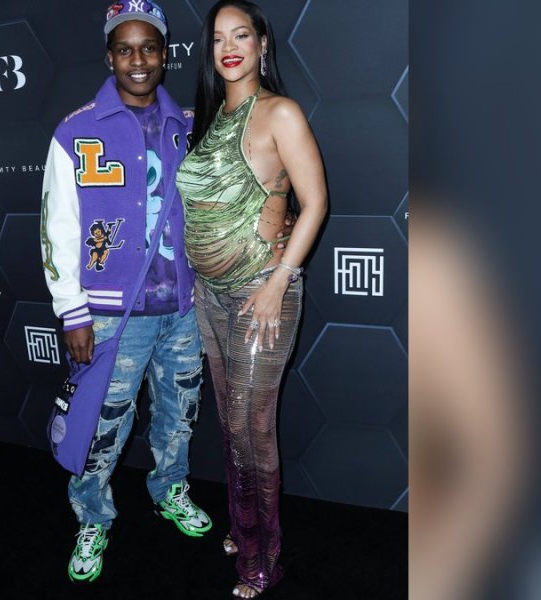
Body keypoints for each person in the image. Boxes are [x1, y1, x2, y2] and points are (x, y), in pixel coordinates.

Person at [39, 1, 214, 583]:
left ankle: (170, 490)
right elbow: (57, 229)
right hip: (114, 316)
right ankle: (92, 516)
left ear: (165, 54)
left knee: (178, 416)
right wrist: (72, 313)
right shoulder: (75, 129)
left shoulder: (190, 124)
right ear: (109, 54)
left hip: (183, 311)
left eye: (149, 48)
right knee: (102, 427)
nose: (138, 60)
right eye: (125, 49)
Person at [176, 1, 328, 597]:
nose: (229, 46)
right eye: (218, 38)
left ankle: (263, 557)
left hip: (261, 294)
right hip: (210, 297)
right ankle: (245, 526)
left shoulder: (279, 113)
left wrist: (278, 280)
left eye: (242, 34)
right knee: (229, 423)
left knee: (251, 429)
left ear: (263, 42)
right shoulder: (213, 118)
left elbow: (314, 203)